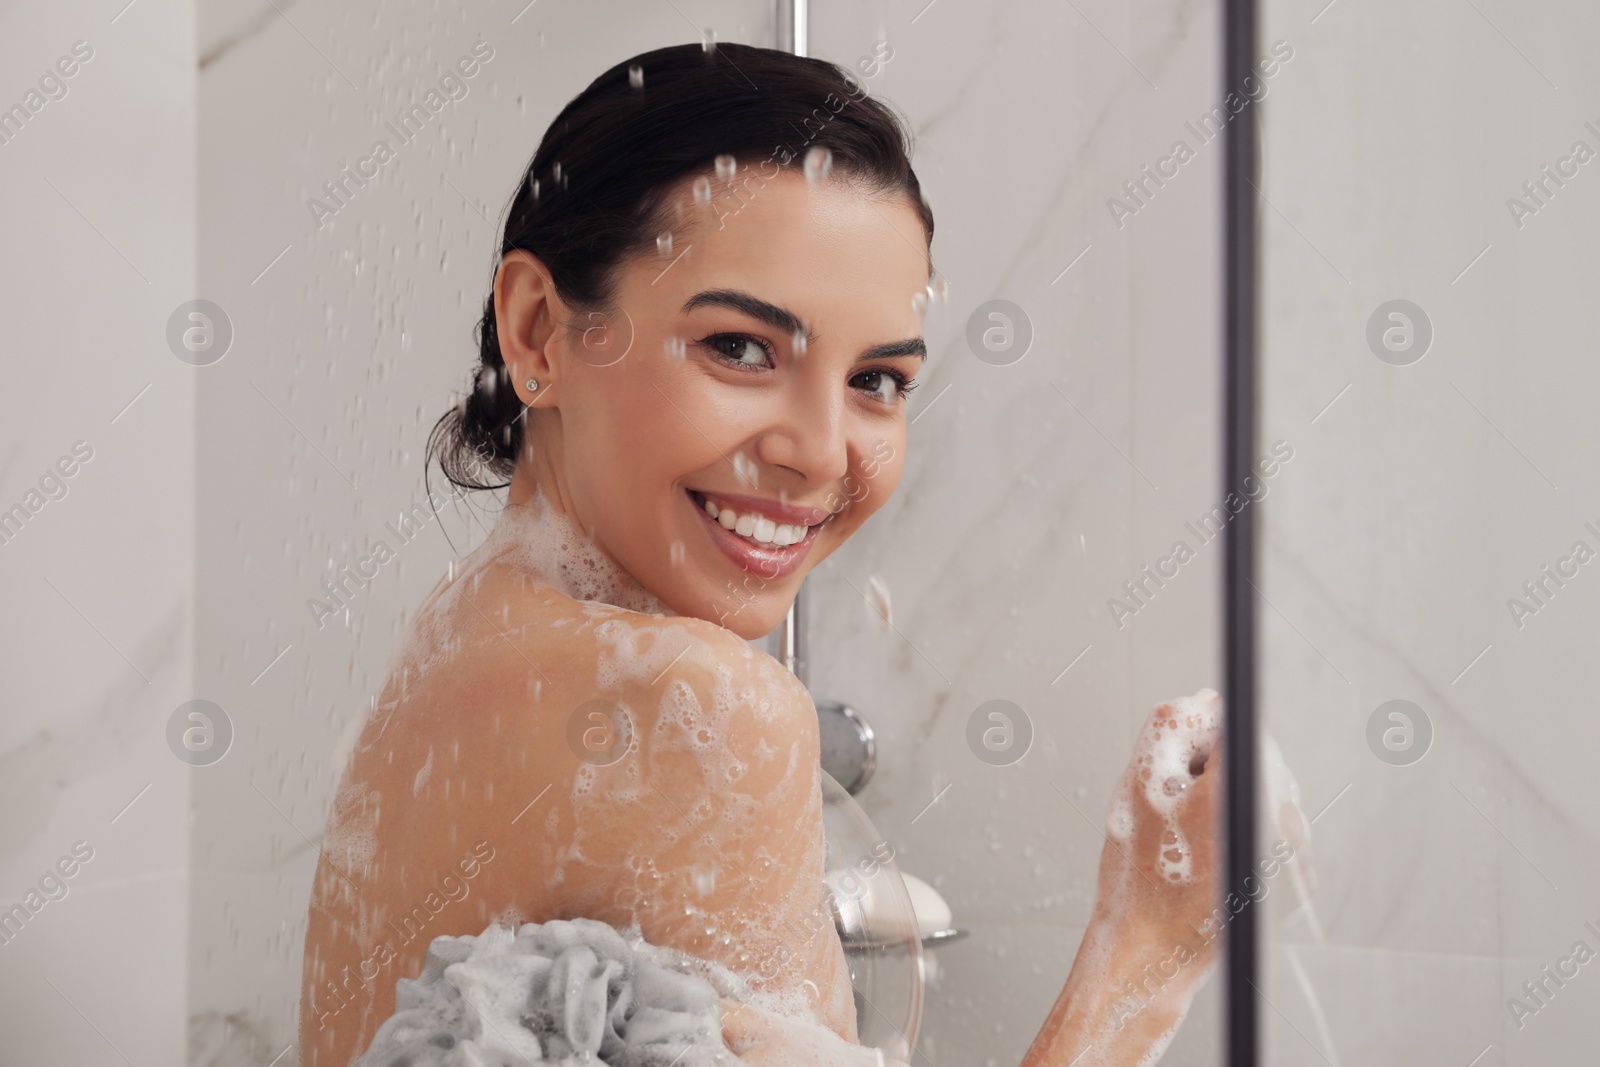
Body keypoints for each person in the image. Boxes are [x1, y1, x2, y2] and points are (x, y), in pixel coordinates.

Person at [300, 41, 1225, 1066]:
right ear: (537, 332)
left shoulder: (458, 637)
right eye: (740, 348)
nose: (820, 452)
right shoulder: (699, 711)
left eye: (877, 379)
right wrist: (1145, 949)